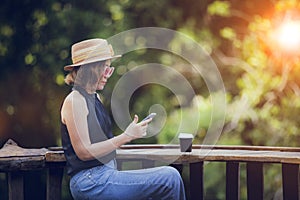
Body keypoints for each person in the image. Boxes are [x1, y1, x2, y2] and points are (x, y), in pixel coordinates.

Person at [60, 38, 186, 200]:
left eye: (109, 69)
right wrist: (127, 136)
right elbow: (84, 152)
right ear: (90, 69)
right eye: (105, 68)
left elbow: (103, 145)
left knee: (166, 181)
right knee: (170, 178)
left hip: (106, 174)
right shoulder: (75, 100)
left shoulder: (94, 98)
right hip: (90, 182)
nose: (108, 74)